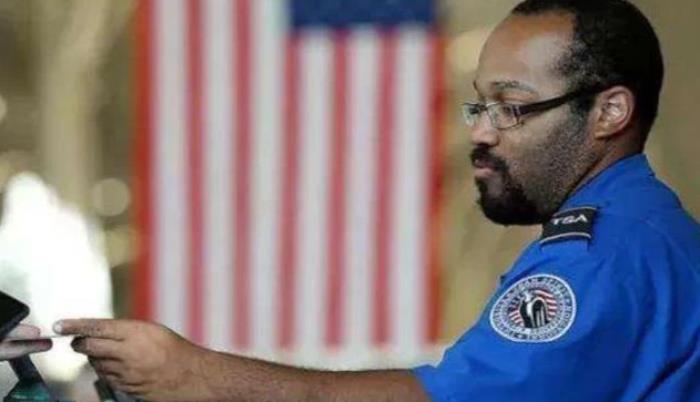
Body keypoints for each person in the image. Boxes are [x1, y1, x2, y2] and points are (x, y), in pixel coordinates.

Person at [56, 0, 700, 400]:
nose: (480, 131)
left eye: (511, 107)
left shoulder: (602, 257)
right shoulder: (639, 231)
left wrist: (194, 376)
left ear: (609, 112)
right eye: (479, 105)